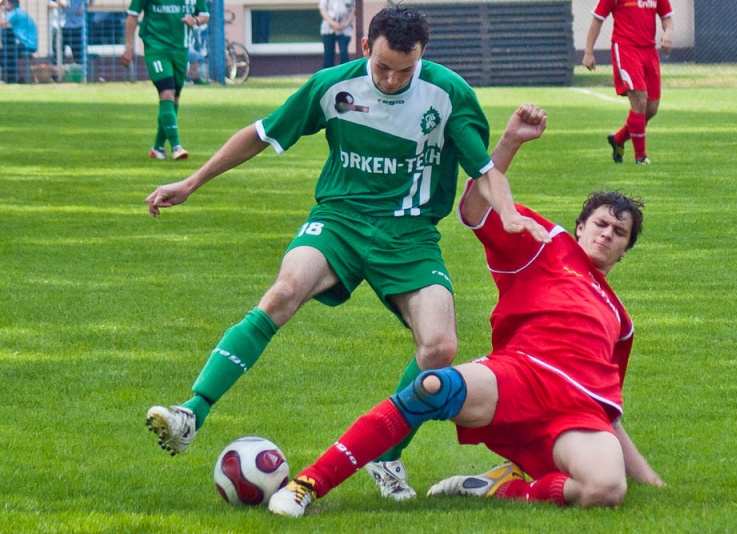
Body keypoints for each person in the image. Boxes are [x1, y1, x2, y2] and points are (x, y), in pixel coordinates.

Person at [143, 6, 550, 502]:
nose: (393, 80)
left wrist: (508, 214)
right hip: (339, 220)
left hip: (409, 233)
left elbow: (485, 171)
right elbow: (261, 133)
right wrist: (191, 182)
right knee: (284, 292)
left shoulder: (447, 93)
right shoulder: (333, 86)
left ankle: (386, 453)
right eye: (383, 67)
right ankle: (191, 412)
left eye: (405, 70)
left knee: (440, 347)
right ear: (364, 48)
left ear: (423, 55)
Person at [266, 103, 665, 517]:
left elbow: (609, 409)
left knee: (605, 489)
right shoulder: (546, 241)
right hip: (519, 375)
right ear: (581, 226)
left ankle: (502, 490)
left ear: (625, 249)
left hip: (578, 413)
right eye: (600, 223)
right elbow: (474, 209)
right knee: (432, 387)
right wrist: (510, 141)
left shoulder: (621, 321)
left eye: (619, 232)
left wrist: (651, 481)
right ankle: (308, 483)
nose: (607, 234)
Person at [582, 0, 674, 165]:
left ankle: (618, 139)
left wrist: (668, 32)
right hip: (626, 49)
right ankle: (641, 157)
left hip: (650, 51)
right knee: (640, 101)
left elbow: (667, 17)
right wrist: (588, 53)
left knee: (651, 109)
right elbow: (597, 19)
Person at [121, 0, 209, 160]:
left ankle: (157, 147)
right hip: (156, 48)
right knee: (167, 92)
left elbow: (205, 15)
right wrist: (128, 48)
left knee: (174, 99)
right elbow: (132, 16)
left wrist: (195, 20)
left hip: (181, 50)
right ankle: (177, 146)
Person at [0, 0, 38, 84]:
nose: (3, 5)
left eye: (5, 3)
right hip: (27, 43)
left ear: (11, 5)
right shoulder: (19, 12)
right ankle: (12, 77)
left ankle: (10, 78)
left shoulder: (15, 13)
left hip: (27, 44)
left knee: (4, 54)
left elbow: (2, 22)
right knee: (7, 52)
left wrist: (1, 10)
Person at [49, 0, 91, 67]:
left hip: (77, 26)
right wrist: (59, 4)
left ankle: (80, 72)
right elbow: (49, 4)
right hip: (59, 26)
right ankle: (58, 72)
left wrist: (84, 6)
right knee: (58, 57)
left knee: (79, 57)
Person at [319, 0, 355, 69]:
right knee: (328, 54)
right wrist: (332, 23)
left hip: (345, 29)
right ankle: (329, 74)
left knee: (344, 53)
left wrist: (346, 23)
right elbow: (322, 9)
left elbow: (353, 9)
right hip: (328, 28)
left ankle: (345, 73)